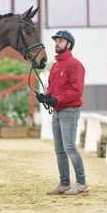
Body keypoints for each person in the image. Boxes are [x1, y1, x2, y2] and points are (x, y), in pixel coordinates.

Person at [36, 30, 89, 195]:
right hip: (58, 111)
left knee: (69, 147)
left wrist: (56, 99)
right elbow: (53, 89)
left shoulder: (75, 65)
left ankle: (81, 183)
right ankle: (64, 183)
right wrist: (45, 97)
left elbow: (76, 91)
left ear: (69, 44)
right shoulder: (55, 65)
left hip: (69, 111)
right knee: (59, 149)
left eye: (60, 41)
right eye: (56, 41)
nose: (56, 43)